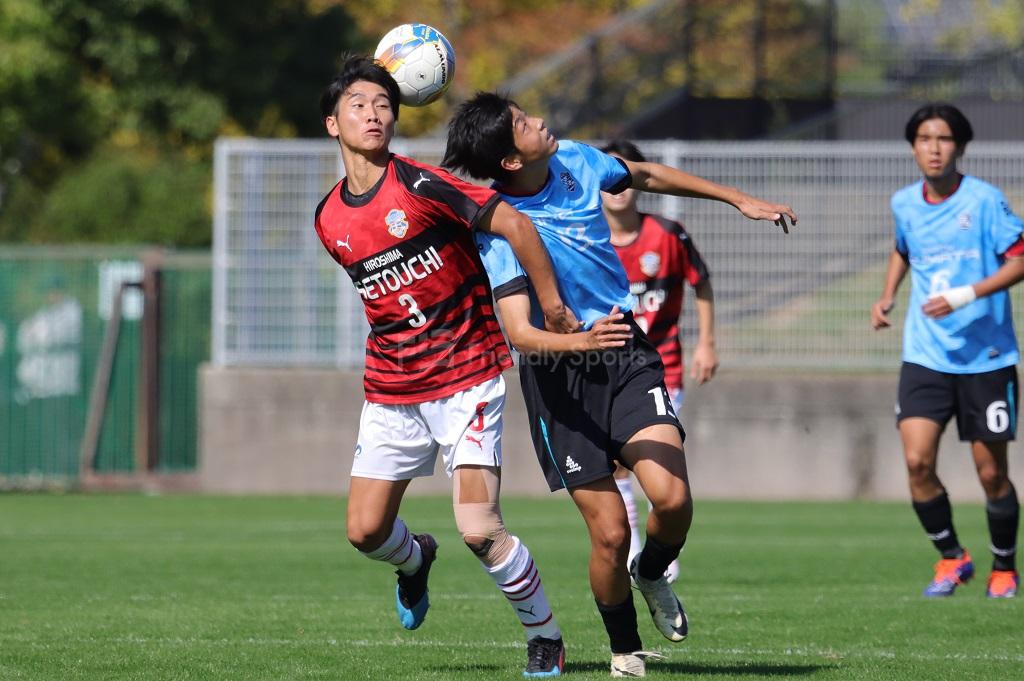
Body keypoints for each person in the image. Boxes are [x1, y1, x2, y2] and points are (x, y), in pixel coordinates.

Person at [443, 92, 795, 677]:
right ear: (508, 160)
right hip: (559, 382)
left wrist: (738, 199)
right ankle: (625, 649)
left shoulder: (577, 161)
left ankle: (652, 571)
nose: (541, 121)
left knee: (674, 500)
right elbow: (521, 336)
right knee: (609, 534)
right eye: (525, 124)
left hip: (625, 354)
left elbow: (647, 172)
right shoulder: (499, 229)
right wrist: (577, 340)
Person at [314, 56, 576, 676]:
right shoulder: (329, 219)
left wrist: (551, 307)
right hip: (393, 389)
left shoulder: (424, 185)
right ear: (333, 123)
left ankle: (545, 636)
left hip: (468, 379)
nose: (374, 114)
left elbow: (512, 222)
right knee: (364, 533)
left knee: (480, 527)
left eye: (384, 105)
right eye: (359, 105)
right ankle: (415, 560)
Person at [871, 103, 1024, 599]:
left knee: (990, 472)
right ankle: (953, 558)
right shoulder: (904, 203)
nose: (933, 148)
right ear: (912, 147)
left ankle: (1005, 566)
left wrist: (966, 294)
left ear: (959, 145)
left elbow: (1020, 259)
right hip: (925, 356)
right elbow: (904, 247)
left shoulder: (984, 201)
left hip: (986, 358)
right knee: (917, 463)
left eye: (942, 139)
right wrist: (889, 293)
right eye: (923, 139)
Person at [600, 139, 719, 584]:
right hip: (606, 371)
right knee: (616, 466)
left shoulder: (668, 235)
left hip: (661, 366)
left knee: (653, 459)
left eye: (625, 175)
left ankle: (660, 553)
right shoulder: (586, 239)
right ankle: (636, 548)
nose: (617, 186)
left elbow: (701, 282)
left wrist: (706, 343)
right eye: (608, 177)